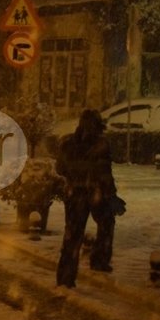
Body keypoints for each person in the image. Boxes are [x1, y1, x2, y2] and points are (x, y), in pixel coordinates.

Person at [55, 109, 119, 289]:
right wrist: (111, 194)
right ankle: (99, 259)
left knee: (72, 235)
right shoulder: (101, 145)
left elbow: (60, 169)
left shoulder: (67, 143)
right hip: (94, 193)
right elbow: (104, 174)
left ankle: (65, 277)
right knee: (106, 223)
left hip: (74, 194)